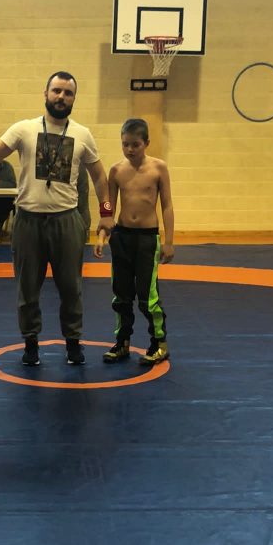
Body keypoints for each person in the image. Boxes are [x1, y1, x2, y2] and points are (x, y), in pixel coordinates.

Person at [0, 71, 114, 367]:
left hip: (67, 221)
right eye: (57, 91)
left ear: (74, 99)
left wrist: (106, 213)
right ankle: (30, 343)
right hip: (28, 221)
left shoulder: (82, 134)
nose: (61, 97)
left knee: (71, 288)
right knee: (27, 288)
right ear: (46, 93)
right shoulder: (24, 129)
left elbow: (100, 177)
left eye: (68, 93)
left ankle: (73, 342)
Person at [94, 117, 174, 366]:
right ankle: (122, 342)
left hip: (147, 239)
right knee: (121, 295)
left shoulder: (158, 168)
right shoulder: (116, 170)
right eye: (125, 144)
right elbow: (108, 206)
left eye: (135, 145)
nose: (129, 149)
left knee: (148, 296)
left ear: (146, 143)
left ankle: (159, 343)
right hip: (122, 237)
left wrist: (169, 241)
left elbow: (167, 205)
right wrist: (102, 236)